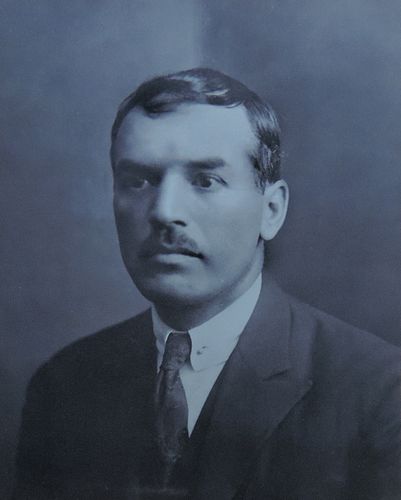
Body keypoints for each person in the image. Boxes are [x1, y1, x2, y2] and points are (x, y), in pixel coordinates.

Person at [13, 68, 401, 500]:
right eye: (138, 181)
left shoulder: (381, 392)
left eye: (205, 181)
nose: (164, 211)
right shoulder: (64, 385)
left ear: (271, 210)